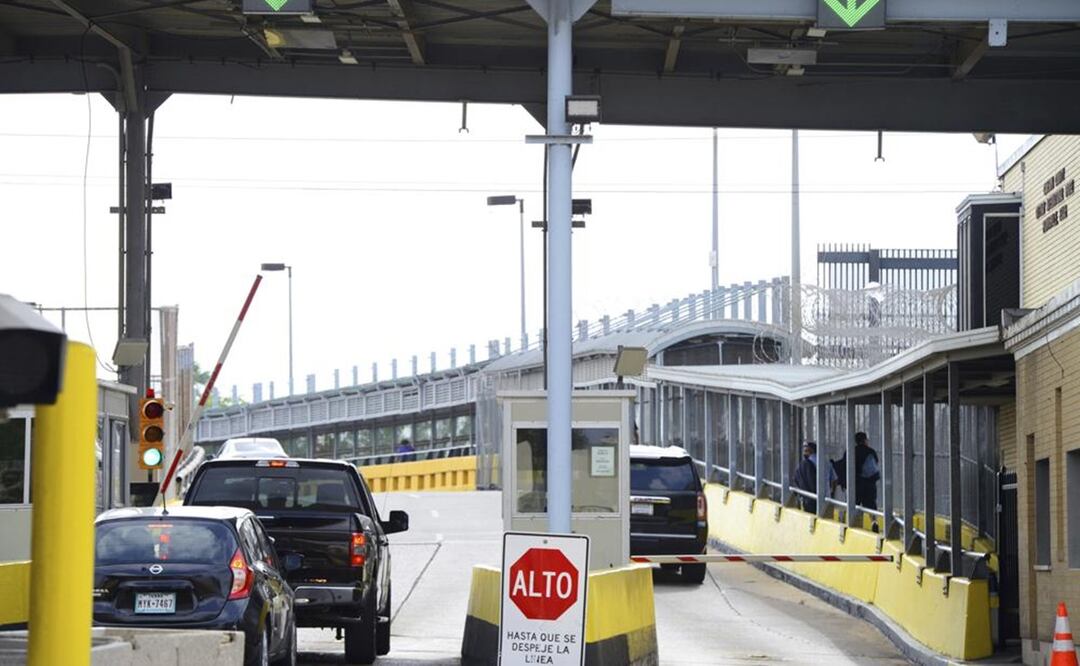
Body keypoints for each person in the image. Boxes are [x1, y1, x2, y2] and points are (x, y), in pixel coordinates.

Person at [831, 431, 881, 510]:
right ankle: (874, 521)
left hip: (855, 485)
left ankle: (853, 521)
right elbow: (875, 465)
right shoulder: (871, 451)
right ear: (865, 440)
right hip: (869, 485)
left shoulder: (851, 451)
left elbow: (845, 467)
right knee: (871, 506)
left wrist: (844, 483)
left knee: (853, 507)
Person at [791, 441, 837, 514]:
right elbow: (834, 480)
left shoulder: (805, 464)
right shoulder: (826, 462)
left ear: (811, 450)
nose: (804, 453)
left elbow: (797, 480)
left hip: (811, 500)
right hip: (826, 499)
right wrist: (832, 494)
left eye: (806, 451)